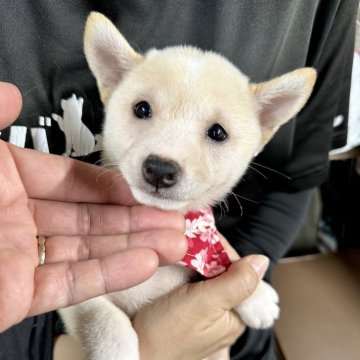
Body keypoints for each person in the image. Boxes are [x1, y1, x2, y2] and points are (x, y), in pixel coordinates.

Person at [0, 1, 358, 359]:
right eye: (143, 110)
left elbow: (293, 183)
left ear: (263, 123)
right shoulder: (78, 222)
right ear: (112, 81)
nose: (165, 160)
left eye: (216, 133)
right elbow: (76, 295)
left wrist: (241, 284)